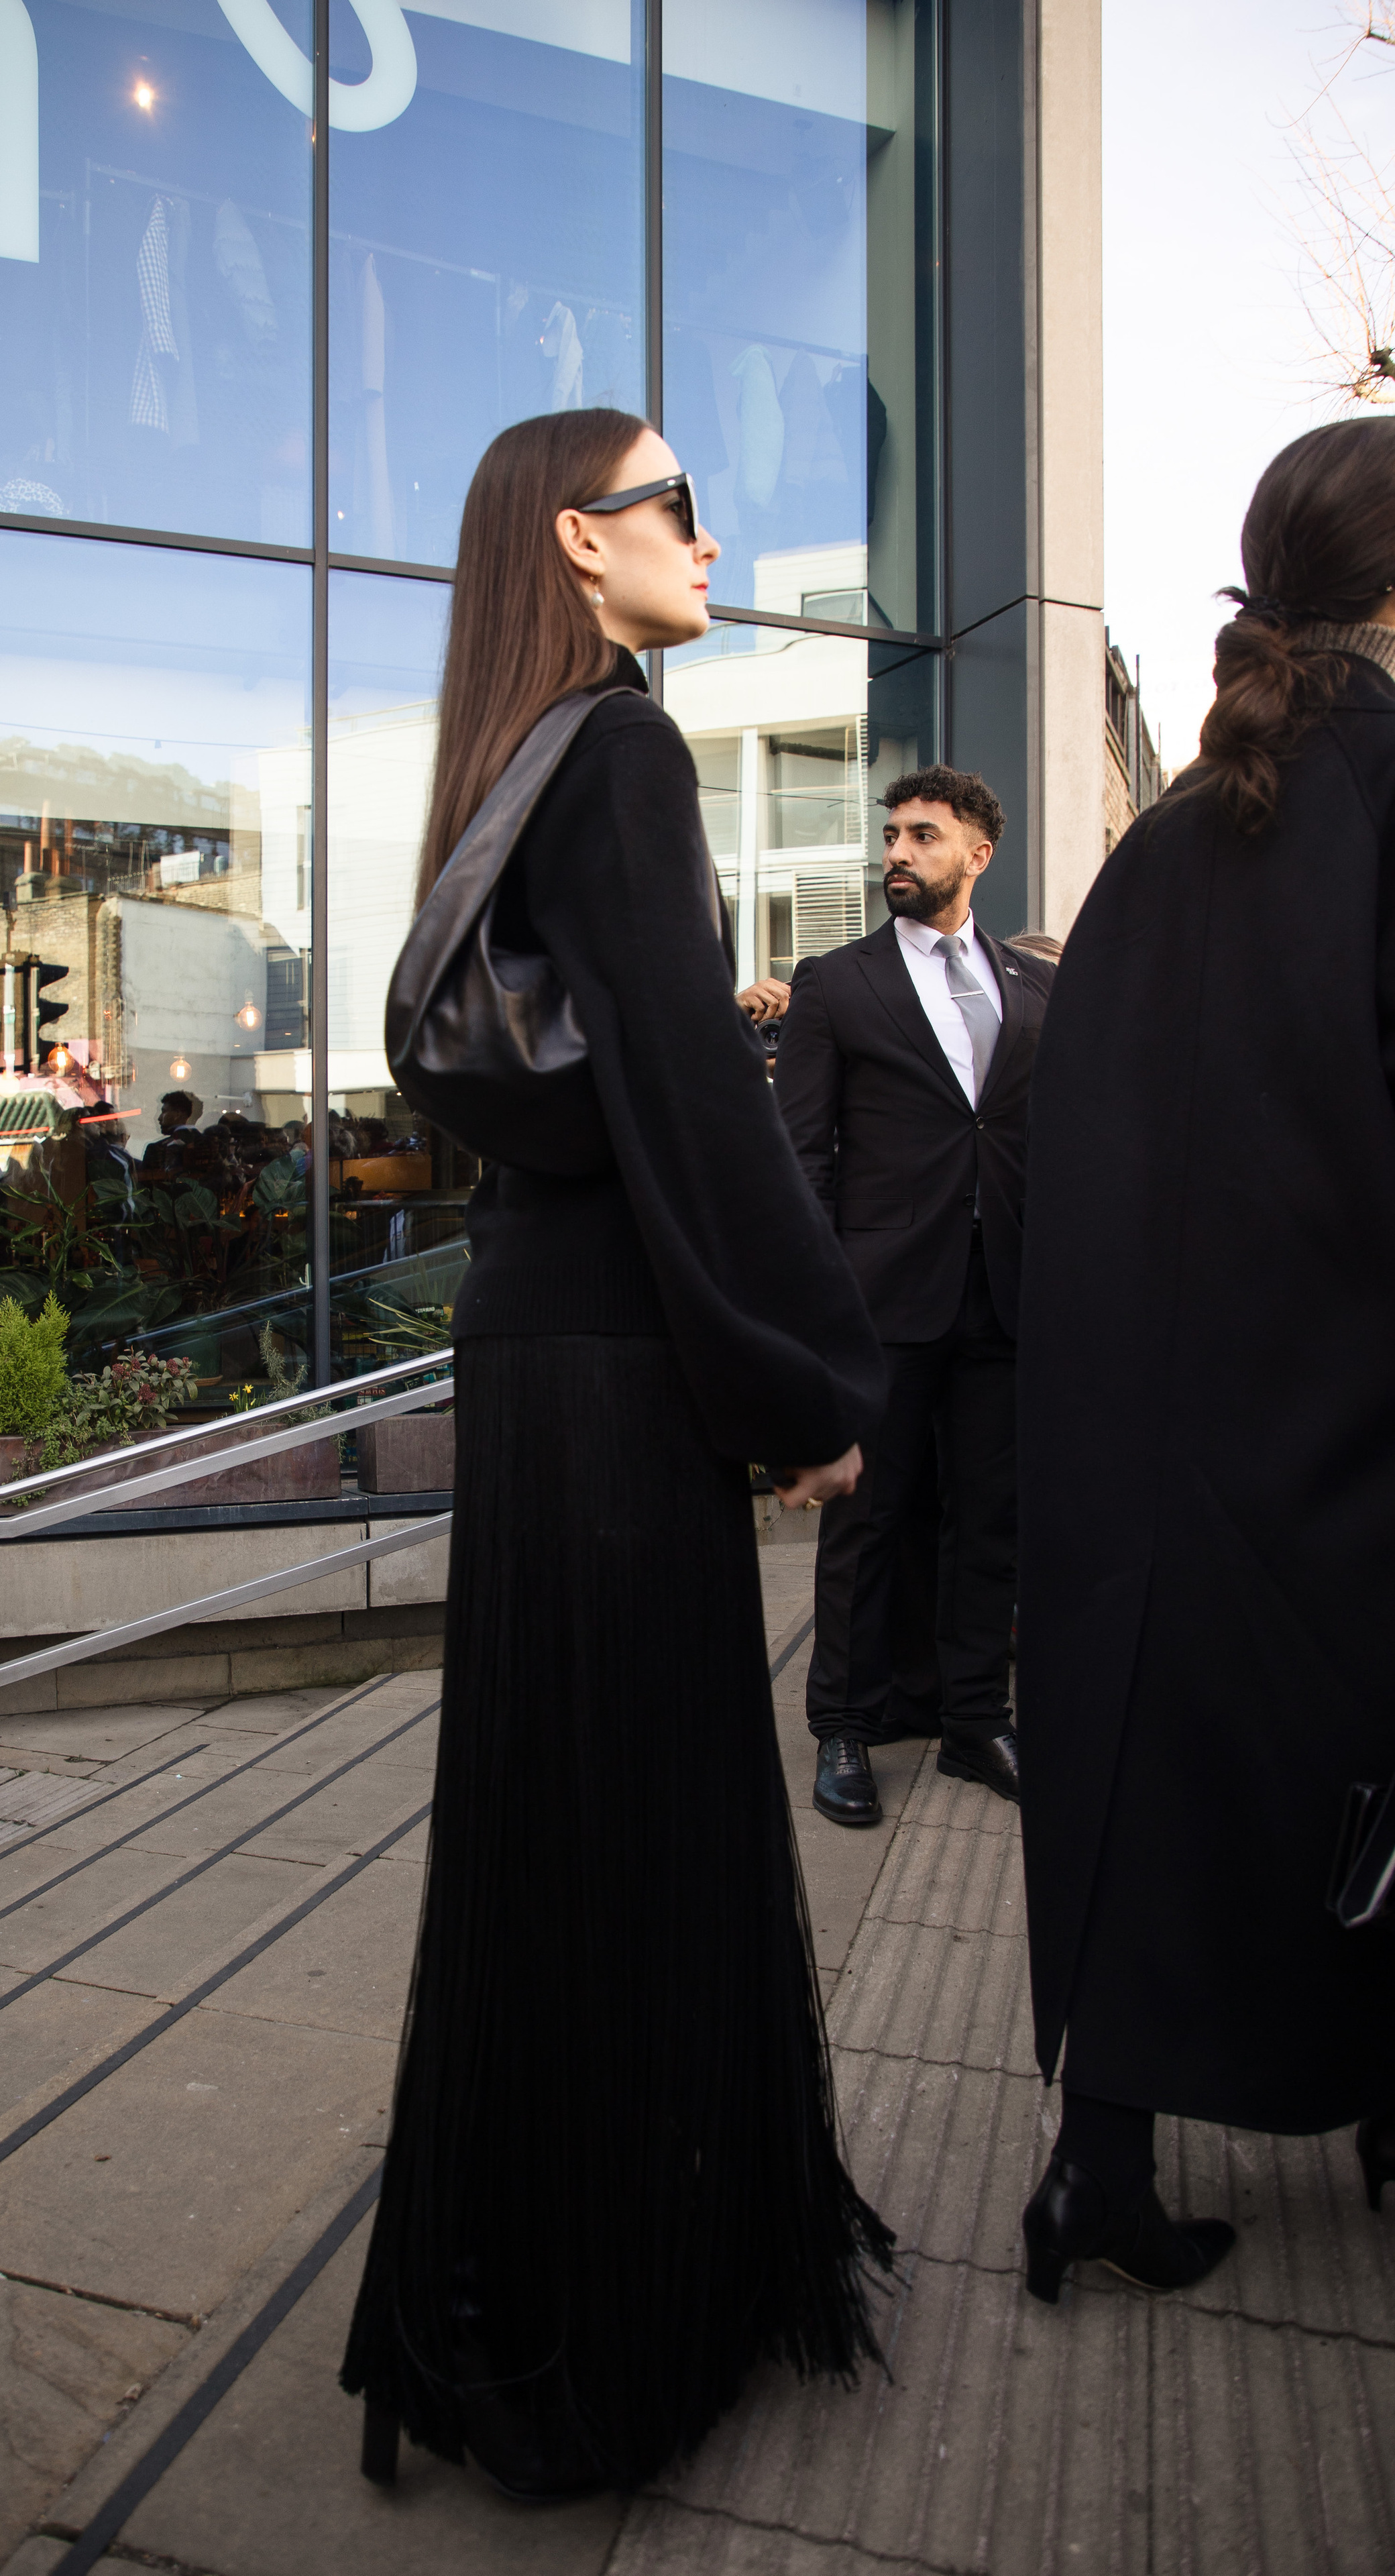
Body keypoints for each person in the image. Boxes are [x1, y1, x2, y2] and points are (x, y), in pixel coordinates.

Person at [341, 409, 892, 2500]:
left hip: (529, 1347)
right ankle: (624, 2336)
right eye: (681, 505)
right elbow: (692, 1101)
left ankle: (516, 2306)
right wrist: (806, 1389)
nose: (710, 536)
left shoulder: (504, 761)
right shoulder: (625, 748)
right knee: (646, 1836)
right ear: (583, 540)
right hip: (617, 1374)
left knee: (542, 1839)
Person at [1015, 417, 1395, 2303]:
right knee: (1355, 1766)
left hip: (1144, 1416)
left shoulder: (1170, 834)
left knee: (1147, 1761)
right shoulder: (1379, 791)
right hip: (1344, 1398)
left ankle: (1096, 2169)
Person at [774, 767, 1054, 1827]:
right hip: (880, 1299)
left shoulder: (1034, 988)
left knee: (990, 1521)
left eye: (923, 835)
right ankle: (845, 1723)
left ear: (978, 855)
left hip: (1005, 1295)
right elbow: (802, 1159)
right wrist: (820, 1303)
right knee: (868, 1520)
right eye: (892, 834)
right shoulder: (837, 984)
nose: (897, 851)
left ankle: (976, 1718)